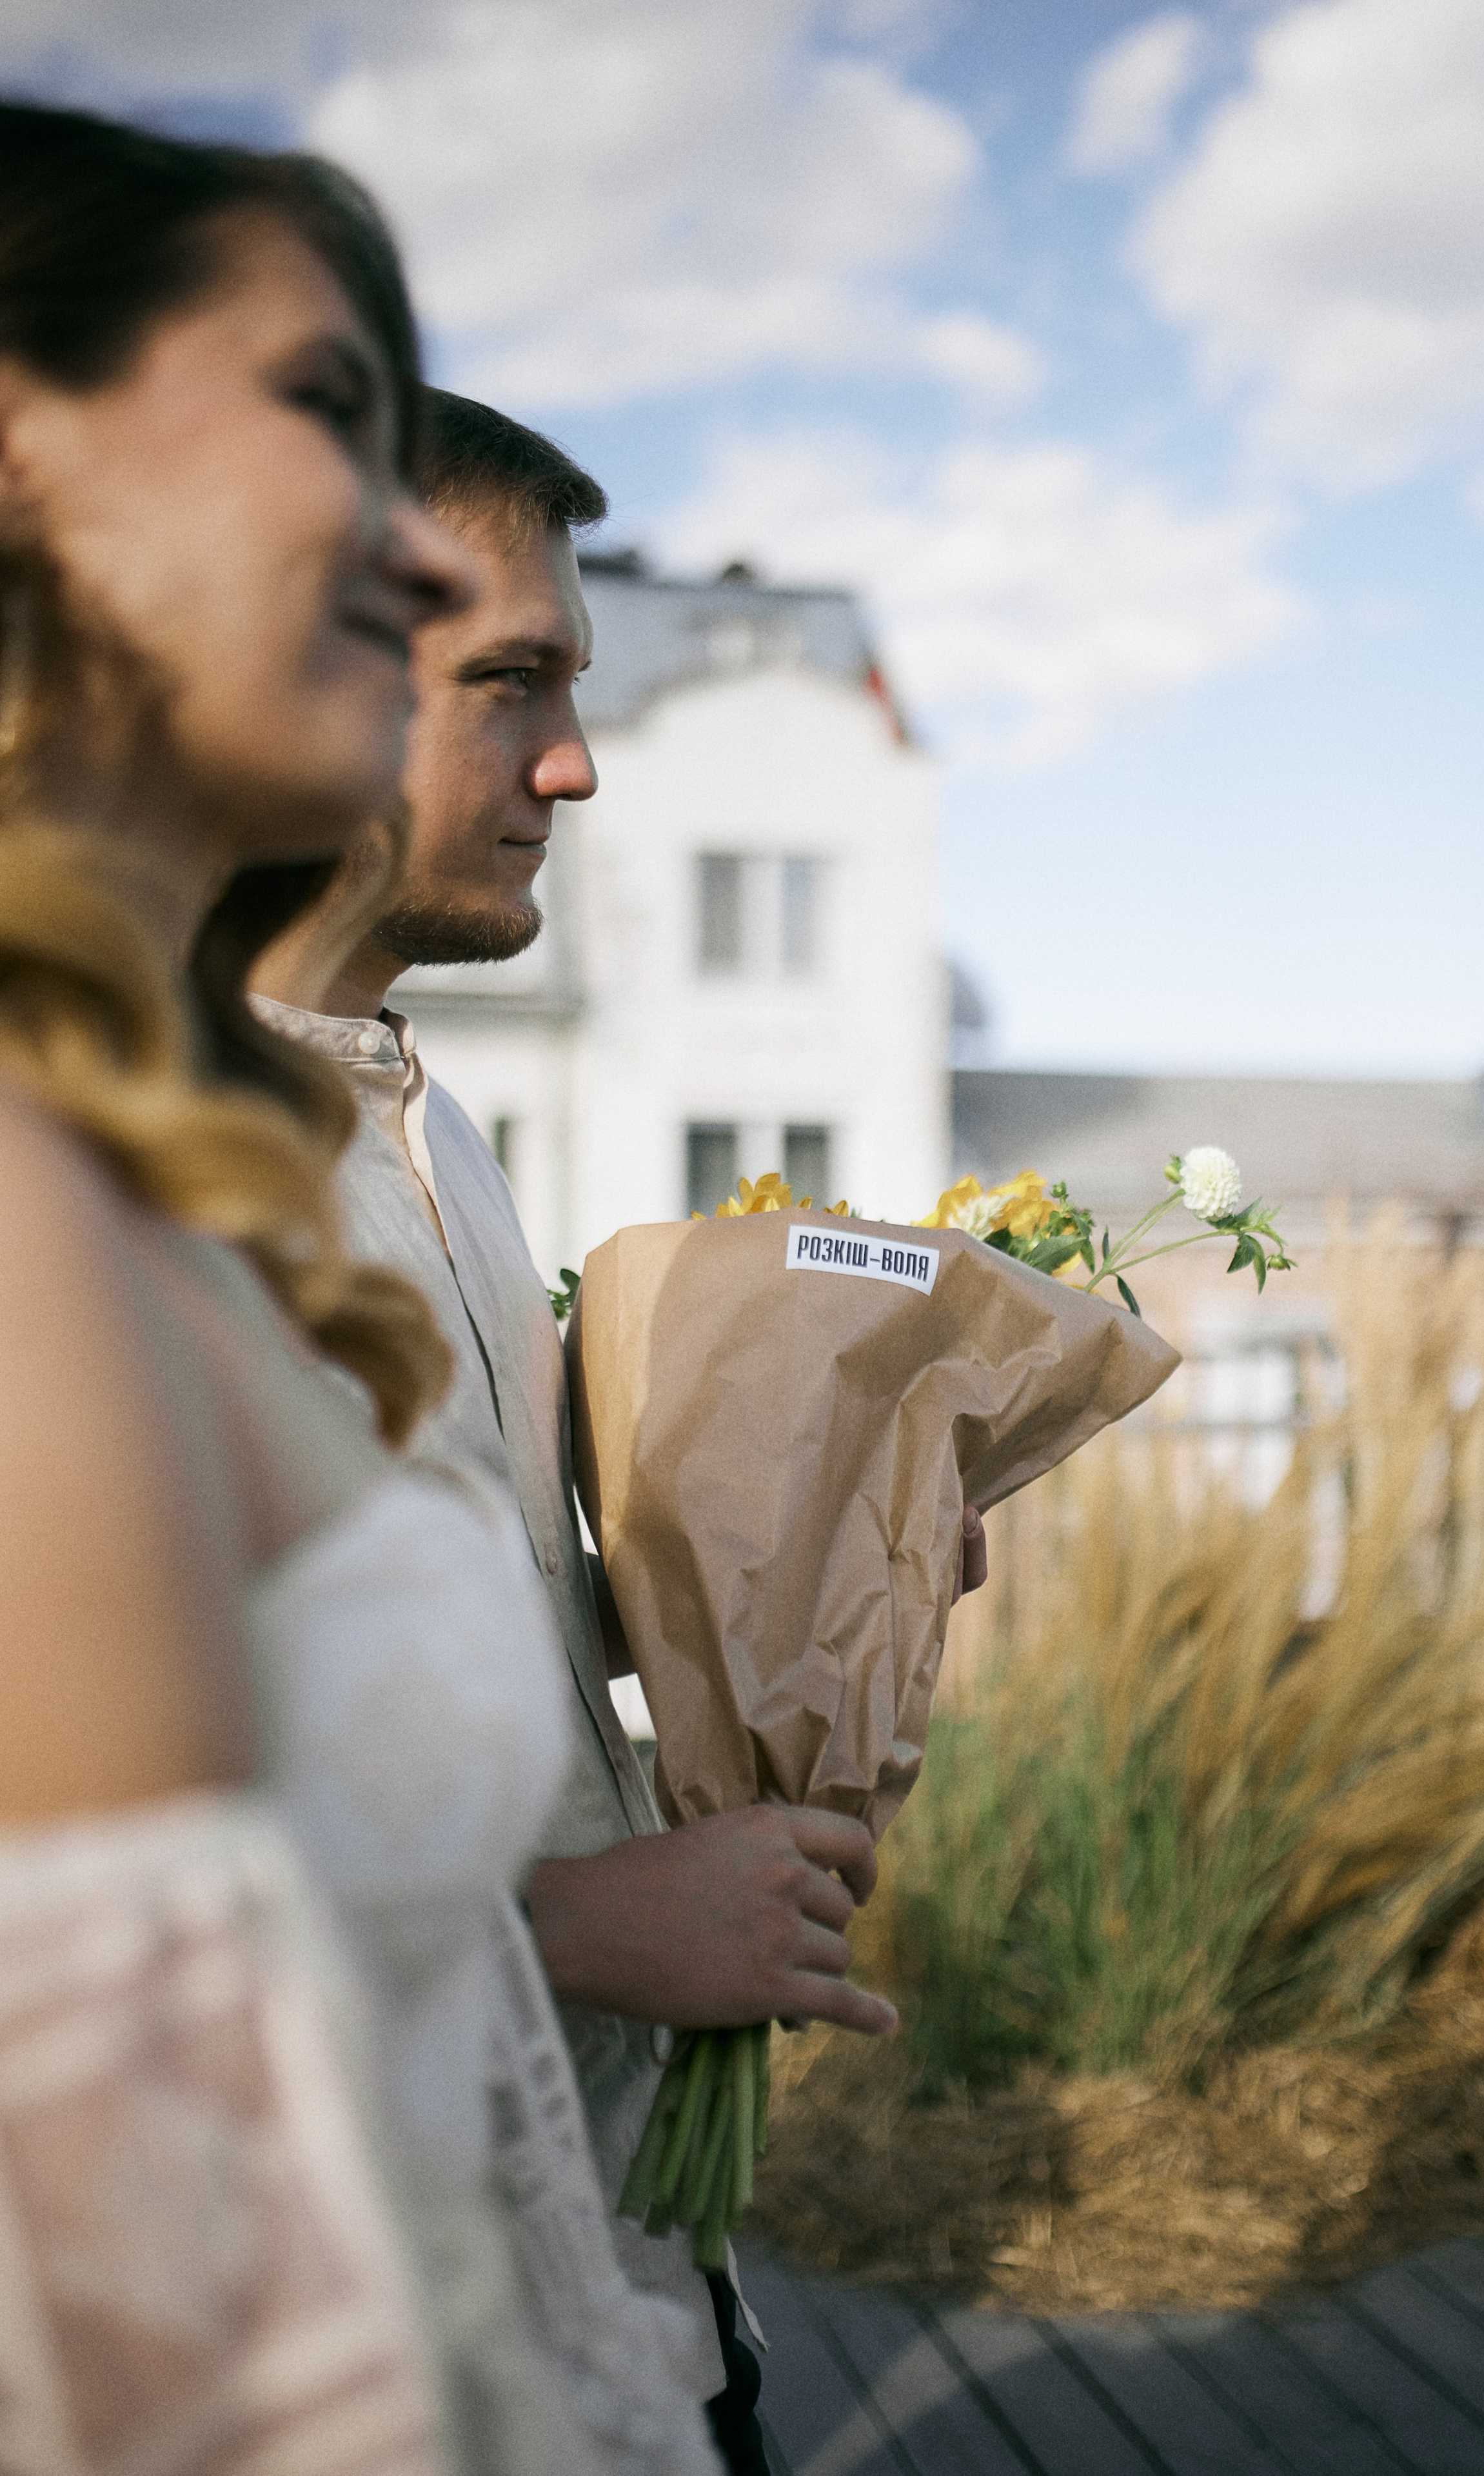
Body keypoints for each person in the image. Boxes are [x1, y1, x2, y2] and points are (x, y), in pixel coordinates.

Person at [0, 105, 712, 2475]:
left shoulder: (311, 1131)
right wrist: (591, 1928)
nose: (402, 534)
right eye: (327, 410)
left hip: (567, 2295)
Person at [252, 385, 991, 2475]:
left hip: (613, 2298)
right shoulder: (94, 1186)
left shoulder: (434, 1132)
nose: (574, 763)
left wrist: (797, 1541)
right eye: (512, 687)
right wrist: (574, 1936)